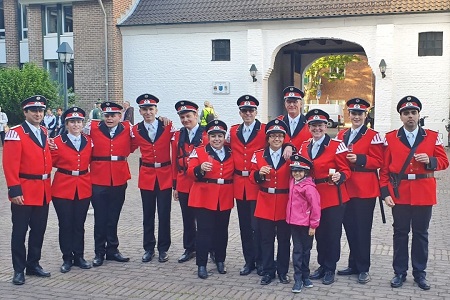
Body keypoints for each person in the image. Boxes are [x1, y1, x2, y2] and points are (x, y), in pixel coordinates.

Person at [380, 96, 449, 290]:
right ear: (401, 117)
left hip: (423, 193)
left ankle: (420, 273)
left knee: (421, 234)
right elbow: (384, 169)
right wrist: (385, 193)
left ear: (418, 115)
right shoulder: (390, 138)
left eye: (413, 112)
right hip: (399, 193)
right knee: (400, 233)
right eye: (406, 113)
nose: (410, 116)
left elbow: (444, 162)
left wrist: (430, 160)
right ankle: (399, 272)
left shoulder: (433, 136)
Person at [2, 95, 52, 285]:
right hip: (24, 190)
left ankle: (33, 264)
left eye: (41, 110)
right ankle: (18, 269)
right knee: (20, 232)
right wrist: (14, 190)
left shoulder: (45, 132)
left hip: (43, 190)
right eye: (34, 111)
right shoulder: (16, 133)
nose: (38, 114)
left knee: (39, 230)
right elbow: (9, 164)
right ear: (25, 112)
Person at [298, 109, 351, 285]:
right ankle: (322, 265)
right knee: (319, 234)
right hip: (312, 197)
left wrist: (340, 176)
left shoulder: (337, 145)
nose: (317, 129)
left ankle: (330, 268)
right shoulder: (304, 146)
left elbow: (346, 170)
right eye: (313, 125)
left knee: (332, 234)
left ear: (326, 126)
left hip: (332, 195)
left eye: (320, 125)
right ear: (309, 127)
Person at [336, 98, 384, 284]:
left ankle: (364, 268)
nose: (356, 116)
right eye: (353, 113)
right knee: (349, 228)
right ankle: (353, 264)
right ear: (349, 115)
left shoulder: (373, 135)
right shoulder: (341, 135)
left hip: (365, 188)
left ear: (365, 115)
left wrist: (360, 159)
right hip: (346, 186)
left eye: (360, 114)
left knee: (362, 229)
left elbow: (379, 161)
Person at [84, 101, 133, 267]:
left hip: (119, 179)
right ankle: (99, 252)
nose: (110, 118)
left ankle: (112, 249)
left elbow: (138, 142)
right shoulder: (92, 128)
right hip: (98, 179)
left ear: (120, 116)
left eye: (113, 115)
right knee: (100, 218)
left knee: (113, 217)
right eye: (107, 115)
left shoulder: (128, 129)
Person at [131, 94, 175, 263]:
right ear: (140, 111)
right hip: (147, 175)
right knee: (148, 214)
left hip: (164, 174)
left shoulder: (168, 126)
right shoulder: (135, 130)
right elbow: (127, 146)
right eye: (144, 109)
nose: (148, 112)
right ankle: (148, 248)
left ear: (156, 110)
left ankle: (163, 249)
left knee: (164, 214)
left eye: (151, 109)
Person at [187, 120, 234, 279]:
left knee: (222, 231)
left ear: (224, 137)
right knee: (204, 232)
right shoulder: (199, 151)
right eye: (213, 136)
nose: (217, 139)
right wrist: (199, 169)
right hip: (204, 196)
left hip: (225, 196)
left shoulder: (231, 152)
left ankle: (220, 260)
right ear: (208, 136)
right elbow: (189, 172)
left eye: (220, 136)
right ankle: (202, 264)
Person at [49, 107, 93, 273]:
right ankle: (67, 257)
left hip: (83, 185)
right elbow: (51, 162)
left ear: (83, 123)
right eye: (72, 122)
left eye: (79, 121)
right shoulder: (57, 142)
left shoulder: (89, 141)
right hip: (63, 187)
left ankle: (79, 256)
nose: (76, 124)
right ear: (66, 124)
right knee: (66, 224)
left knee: (79, 224)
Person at [250, 119, 292, 286]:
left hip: (284, 201)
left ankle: (282, 271)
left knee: (283, 239)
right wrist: (259, 173)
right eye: (273, 136)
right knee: (266, 239)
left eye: (280, 136)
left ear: (284, 138)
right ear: (267, 138)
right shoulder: (258, 154)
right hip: (265, 201)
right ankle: (268, 271)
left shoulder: (290, 155)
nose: (276, 139)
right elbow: (252, 178)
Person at [228, 95, 265, 276]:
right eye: (244, 111)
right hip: (239, 185)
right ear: (240, 113)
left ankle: (261, 260)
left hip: (257, 184)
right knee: (244, 226)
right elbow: (215, 140)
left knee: (257, 226)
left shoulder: (264, 130)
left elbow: (280, 141)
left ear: (256, 112)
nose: (248, 113)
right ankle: (248, 261)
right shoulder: (233, 131)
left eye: (251, 110)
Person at [171, 100, 206, 263]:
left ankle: (209, 248)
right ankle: (189, 248)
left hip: (202, 183)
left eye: (188, 116)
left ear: (196, 115)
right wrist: (175, 186)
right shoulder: (178, 136)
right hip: (184, 182)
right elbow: (174, 161)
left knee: (205, 218)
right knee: (187, 218)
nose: (186, 120)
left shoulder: (207, 135)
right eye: (182, 117)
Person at [286, 154, 321, 293]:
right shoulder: (291, 182)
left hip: (306, 225)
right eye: (294, 171)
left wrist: (313, 225)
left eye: (300, 171)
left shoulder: (309, 187)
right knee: (297, 251)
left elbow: (316, 207)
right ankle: (298, 279)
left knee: (305, 251)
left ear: (305, 172)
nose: (297, 173)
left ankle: (305, 277)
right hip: (294, 223)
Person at [277, 86, 312, 156]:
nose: (292, 105)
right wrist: (287, 145)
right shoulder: (279, 122)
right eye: (289, 102)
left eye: (295, 102)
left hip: (303, 163)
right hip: (282, 163)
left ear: (301, 104)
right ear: (285, 104)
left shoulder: (310, 123)